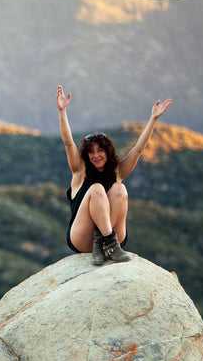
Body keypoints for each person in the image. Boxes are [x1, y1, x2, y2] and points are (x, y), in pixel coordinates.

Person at [56, 85, 173, 265]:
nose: (96, 155)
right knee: (96, 189)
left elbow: (139, 149)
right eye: (91, 152)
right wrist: (62, 111)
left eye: (100, 150)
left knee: (119, 189)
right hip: (82, 238)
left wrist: (153, 119)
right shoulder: (80, 172)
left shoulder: (117, 172)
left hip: (114, 238)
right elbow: (68, 144)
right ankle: (105, 241)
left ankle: (106, 242)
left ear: (108, 151)